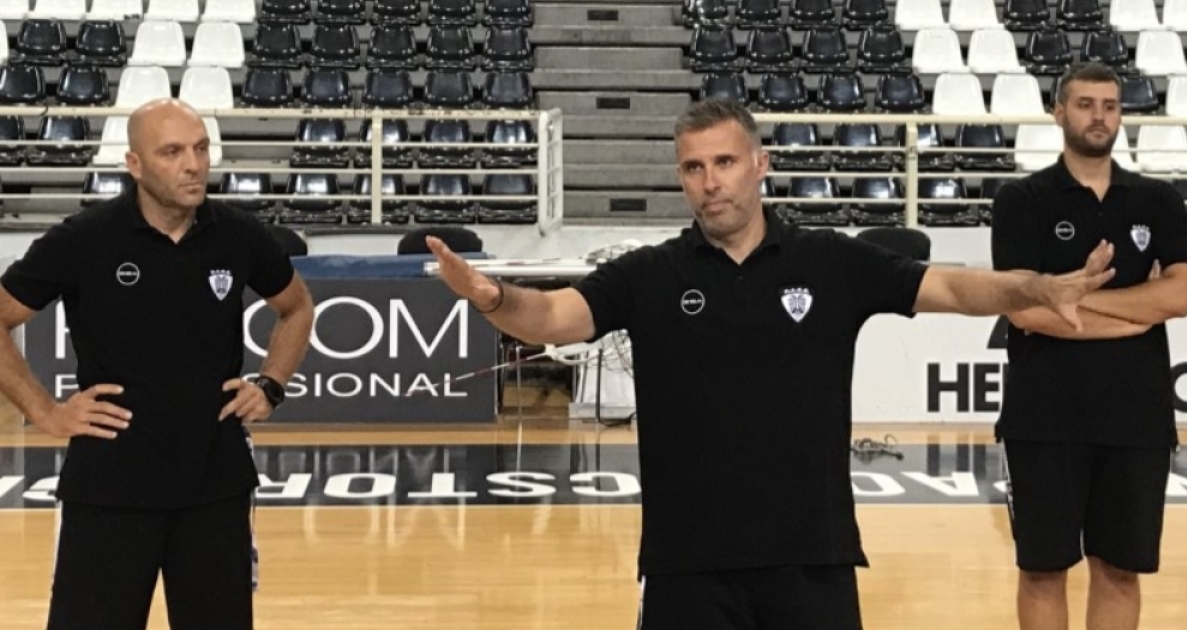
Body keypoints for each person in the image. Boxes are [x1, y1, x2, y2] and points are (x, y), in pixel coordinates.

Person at [427, 98, 1116, 629]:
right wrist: (492, 296)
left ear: (760, 164)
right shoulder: (647, 275)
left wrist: (1037, 288)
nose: (710, 183)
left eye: (725, 163)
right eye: (694, 168)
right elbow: (551, 317)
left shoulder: (831, 261)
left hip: (811, 558)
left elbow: (955, 289)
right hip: (687, 565)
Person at [0, 99, 315, 630]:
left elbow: (297, 307)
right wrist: (45, 411)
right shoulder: (84, 240)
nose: (193, 165)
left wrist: (271, 384)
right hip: (109, 486)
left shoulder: (238, 234)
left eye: (200, 148)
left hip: (215, 486)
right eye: (171, 152)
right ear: (135, 164)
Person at [991, 62, 1187, 630]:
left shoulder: (1159, 200)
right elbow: (1024, 310)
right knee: (1042, 572)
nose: (1098, 116)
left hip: (1136, 420)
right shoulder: (1021, 199)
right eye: (1084, 104)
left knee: (1120, 572)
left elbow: (1178, 297)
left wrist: (1073, 297)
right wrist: (1136, 310)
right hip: (1043, 419)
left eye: (1109, 105)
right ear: (1059, 113)